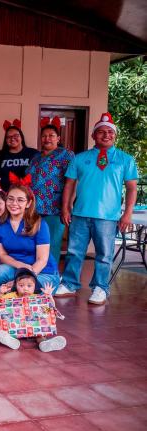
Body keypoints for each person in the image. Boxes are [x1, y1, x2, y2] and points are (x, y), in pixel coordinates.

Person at [55, 113, 138, 305]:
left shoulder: (125, 160)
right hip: (80, 214)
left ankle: (101, 288)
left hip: (108, 217)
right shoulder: (79, 158)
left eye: (110, 132)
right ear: (93, 136)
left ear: (115, 136)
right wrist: (66, 208)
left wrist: (127, 213)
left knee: (104, 254)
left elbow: (132, 187)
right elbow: (69, 184)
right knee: (74, 251)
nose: (106, 135)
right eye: (101, 132)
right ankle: (69, 283)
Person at [0, 184, 60, 294]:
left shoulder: (39, 224)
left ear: (28, 203)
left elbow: (42, 259)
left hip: (41, 272)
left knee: (29, 288)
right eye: (10, 199)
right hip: (16, 269)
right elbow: (2, 255)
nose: (14, 204)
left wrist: (23, 280)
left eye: (20, 200)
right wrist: (21, 267)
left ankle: (15, 288)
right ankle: (14, 289)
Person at [27, 122, 74, 263]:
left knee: (52, 242)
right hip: (34, 208)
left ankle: (50, 276)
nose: (47, 138)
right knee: (33, 242)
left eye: (51, 136)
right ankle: (33, 274)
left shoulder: (66, 155)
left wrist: (68, 205)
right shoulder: (36, 157)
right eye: (44, 136)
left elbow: (72, 181)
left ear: (58, 138)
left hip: (55, 207)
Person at [0, 269, 66, 352]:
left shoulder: (36, 297)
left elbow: (50, 307)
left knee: (40, 333)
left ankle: (44, 343)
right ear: (16, 286)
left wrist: (49, 297)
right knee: (5, 322)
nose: (25, 289)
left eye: (29, 286)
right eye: (21, 286)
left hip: (33, 327)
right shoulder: (11, 296)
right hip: (15, 327)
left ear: (34, 286)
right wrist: (0, 293)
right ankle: (12, 341)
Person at [0, 122, 38, 196]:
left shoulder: (33, 154)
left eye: (16, 135)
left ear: (21, 137)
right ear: (6, 140)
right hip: (4, 197)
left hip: (27, 197)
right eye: (9, 137)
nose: (12, 138)